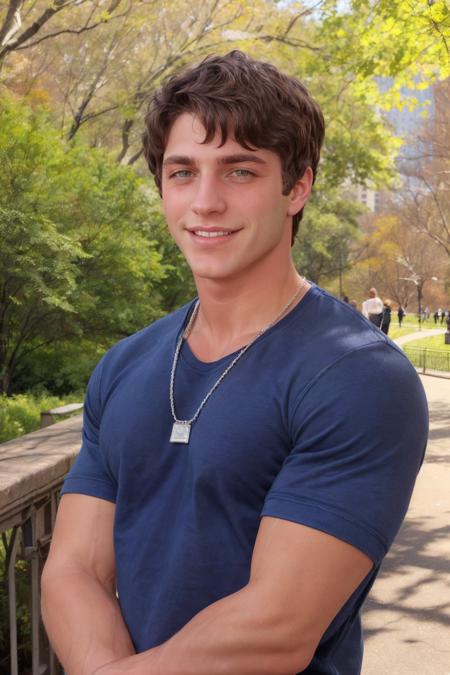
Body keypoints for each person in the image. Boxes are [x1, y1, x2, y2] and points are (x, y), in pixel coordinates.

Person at [41, 51, 428, 675]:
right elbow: (75, 570)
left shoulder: (358, 377)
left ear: (296, 186)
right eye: (182, 172)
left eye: (239, 171)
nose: (205, 201)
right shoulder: (123, 367)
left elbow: (275, 628)